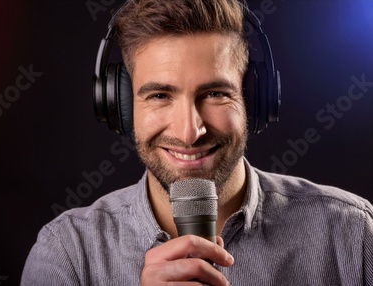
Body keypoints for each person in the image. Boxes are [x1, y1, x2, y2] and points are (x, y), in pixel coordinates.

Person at [21, 0, 373, 285]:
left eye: (216, 93)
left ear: (255, 99)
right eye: (159, 95)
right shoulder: (68, 253)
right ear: (119, 106)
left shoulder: (352, 234)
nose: (190, 132)